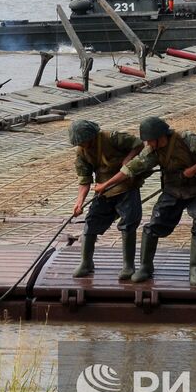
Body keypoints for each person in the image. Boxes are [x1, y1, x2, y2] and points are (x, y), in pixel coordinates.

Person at [99, 117, 196, 286]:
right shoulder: (151, 150)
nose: (149, 144)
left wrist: (192, 170)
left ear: (161, 136)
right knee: (155, 222)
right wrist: (106, 185)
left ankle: (194, 269)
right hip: (173, 189)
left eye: (151, 140)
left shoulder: (186, 138)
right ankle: (146, 267)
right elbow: (131, 168)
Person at [68, 120, 145, 280]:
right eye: (79, 143)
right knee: (91, 221)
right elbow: (84, 179)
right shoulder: (82, 153)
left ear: (92, 137)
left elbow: (138, 144)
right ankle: (86, 262)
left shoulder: (113, 138)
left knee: (128, 222)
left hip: (126, 184)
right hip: (103, 189)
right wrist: (79, 202)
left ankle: (128, 265)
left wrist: (128, 160)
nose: (82, 145)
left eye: (84, 141)